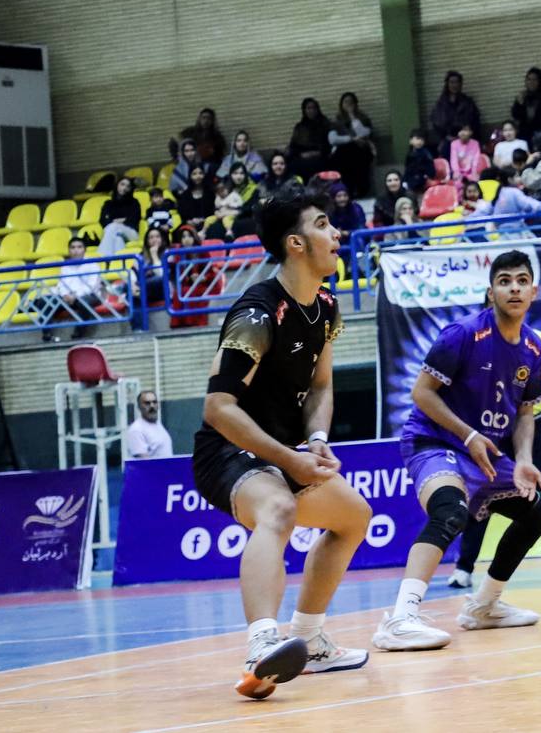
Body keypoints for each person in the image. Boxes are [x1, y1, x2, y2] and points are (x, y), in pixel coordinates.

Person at [193, 183, 371, 698]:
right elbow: (218, 408)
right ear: (296, 244)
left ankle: (308, 637)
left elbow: (320, 386)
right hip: (228, 450)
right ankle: (260, 646)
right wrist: (289, 461)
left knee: (354, 517)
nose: (336, 235)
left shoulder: (327, 306)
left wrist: (315, 438)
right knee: (278, 509)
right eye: (323, 225)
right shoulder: (256, 314)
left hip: (284, 452)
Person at [371, 251, 541, 651]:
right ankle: (400, 619)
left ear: (534, 291)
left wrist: (523, 459)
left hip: (482, 452)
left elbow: (526, 411)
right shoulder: (463, 334)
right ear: (491, 292)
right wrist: (468, 435)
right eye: (504, 281)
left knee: (538, 512)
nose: (514, 288)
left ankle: (484, 606)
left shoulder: (532, 347)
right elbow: (422, 393)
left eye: (522, 281)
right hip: (435, 442)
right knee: (449, 513)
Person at [450, 308, 541, 587]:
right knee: (482, 495)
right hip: (492, 429)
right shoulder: (480, 341)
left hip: (533, 428)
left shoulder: (538, 340)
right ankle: (464, 568)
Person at [41, 236, 107, 342]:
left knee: (83, 302)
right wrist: (65, 295)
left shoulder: (93, 265)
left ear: (84, 250)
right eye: (73, 247)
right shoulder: (65, 266)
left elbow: (91, 286)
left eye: (79, 247)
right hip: (68, 297)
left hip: (89, 296)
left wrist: (75, 296)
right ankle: (47, 335)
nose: (76, 250)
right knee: (46, 301)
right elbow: (61, 284)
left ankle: (78, 335)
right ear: (69, 250)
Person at [328, 92, 376, 198]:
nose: (348, 104)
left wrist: (353, 117)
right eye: (346, 102)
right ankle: (347, 190)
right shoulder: (336, 121)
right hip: (343, 152)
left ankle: (361, 191)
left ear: (355, 104)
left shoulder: (363, 118)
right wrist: (351, 139)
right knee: (346, 154)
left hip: (361, 150)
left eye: (351, 102)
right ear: (341, 104)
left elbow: (364, 133)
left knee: (358, 156)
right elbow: (333, 139)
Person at [429, 71, 482, 155]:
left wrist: (467, 132)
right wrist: (447, 136)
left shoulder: (468, 102)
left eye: (457, 82)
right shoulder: (441, 103)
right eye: (452, 82)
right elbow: (437, 123)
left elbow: (475, 121)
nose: (454, 85)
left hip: (466, 138)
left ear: (461, 84)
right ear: (447, 84)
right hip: (448, 141)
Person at [511, 67, 541, 140]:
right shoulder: (523, 96)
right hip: (528, 136)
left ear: (540, 81)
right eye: (529, 79)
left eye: (534, 79)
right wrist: (520, 104)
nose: (531, 82)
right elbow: (516, 116)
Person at [288, 97, 332, 180]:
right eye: (308, 108)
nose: (311, 110)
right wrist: (301, 154)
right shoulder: (300, 127)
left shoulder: (325, 124)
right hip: (302, 156)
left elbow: (329, 144)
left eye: (314, 108)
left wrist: (315, 153)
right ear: (304, 110)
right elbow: (293, 146)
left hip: (320, 156)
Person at [126, 390, 173, 460]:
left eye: (154, 402)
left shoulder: (157, 424)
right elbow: (145, 463)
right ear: (139, 407)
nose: (152, 406)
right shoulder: (136, 430)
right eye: (147, 403)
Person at [100, 176, 141, 255]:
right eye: (122, 184)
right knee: (118, 239)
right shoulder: (108, 204)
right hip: (113, 231)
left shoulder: (134, 202)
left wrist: (116, 222)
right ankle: (119, 261)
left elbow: (134, 219)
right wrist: (123, 220)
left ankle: (102, 258)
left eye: (128, 186)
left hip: (131, 233)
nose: (124, 188)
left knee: (113, 227)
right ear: (117, 185)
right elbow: (103, 221)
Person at [176, 165, 215, 235]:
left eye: (200, 173)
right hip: (190, 224)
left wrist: (203, 220)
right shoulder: (185, 195)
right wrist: (189, 221)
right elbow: (182, 213)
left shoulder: (210, 193)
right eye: (194, 174)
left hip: (207, 224)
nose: (198, 176)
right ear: (190, 176)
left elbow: (213, 211)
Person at [404, 128, 437, 195]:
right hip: (412, 180)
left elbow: (430, 168)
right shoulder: (409, 154)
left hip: (423, 180)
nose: (420, 141)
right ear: (411, 141)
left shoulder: (426, 153)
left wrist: (427, 175)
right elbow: (407, 169)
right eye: (417, 138)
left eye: (422, 139)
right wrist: (405, 180)